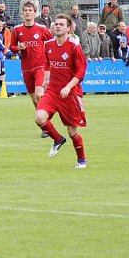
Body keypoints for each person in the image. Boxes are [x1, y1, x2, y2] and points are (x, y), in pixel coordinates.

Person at [36, 15, 89, 168]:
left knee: (72, 131)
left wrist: (68, 87)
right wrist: (46, 79)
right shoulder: (48, 45)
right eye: (56, 24)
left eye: (61, 24)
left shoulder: (74, 46)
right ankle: (58, 139)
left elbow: (80, 72)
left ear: (68, 28)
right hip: (52, 91)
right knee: (39, 117)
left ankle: (81, 159)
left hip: (70, 93)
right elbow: (46, 63)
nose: (58, 26)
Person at [10, 3, 54, 113]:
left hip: (40, 66)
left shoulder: (42, 29)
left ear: (35, 13)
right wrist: (18, 48)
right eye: (25, 10)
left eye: (30, 10)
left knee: (39, 95)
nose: (27, 12)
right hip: (26, 68)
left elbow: (52, 44)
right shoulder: (17, 30)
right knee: (34, 98)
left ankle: (45, 119)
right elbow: (12, 47)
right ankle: (45, 122)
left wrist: (49, 65)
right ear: (22, 13)